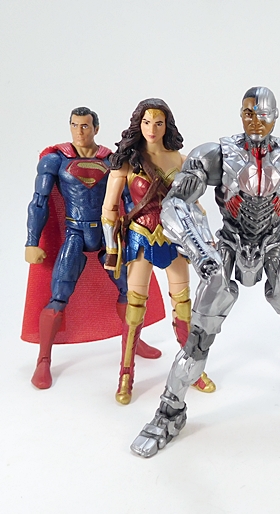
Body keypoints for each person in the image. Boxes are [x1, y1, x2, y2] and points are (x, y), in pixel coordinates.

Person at [130, 86, 280, 458]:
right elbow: (176, 205)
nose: (255, 120)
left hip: (271, 248)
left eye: (263, 113)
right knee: (198, 339)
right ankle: (169, 412)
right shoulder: (216, 155)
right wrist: (198, 247)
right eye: (248, 112)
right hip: (228, 247)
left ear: (276, 116)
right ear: (241, 114)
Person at [22, 107, 164, 390]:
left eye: (85, 126)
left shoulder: (112, 160)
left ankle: (133, 341)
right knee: (59, 295)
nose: (79, 131)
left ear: (96, 128)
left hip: (107, 234)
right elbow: (39, 201)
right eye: (75, 125)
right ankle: (44, 359)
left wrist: (139, 232)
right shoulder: (56, 160)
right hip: (74, 233)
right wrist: (31, 241)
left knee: (130, 290)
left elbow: (129, 199)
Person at [101, 99, 214, 405]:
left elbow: (194, 206)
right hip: (141, 238)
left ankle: (192, 370)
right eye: (147, 122)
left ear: (167, 126)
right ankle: (126, 374)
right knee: (135, 307)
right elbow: (109, 209)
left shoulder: (181, 160)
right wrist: (112, 249)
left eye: (158, 123)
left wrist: (205, 240)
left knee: (184, 306)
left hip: (175, 238)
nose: (152, 129)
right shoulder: (127, 161)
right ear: (139, 124)